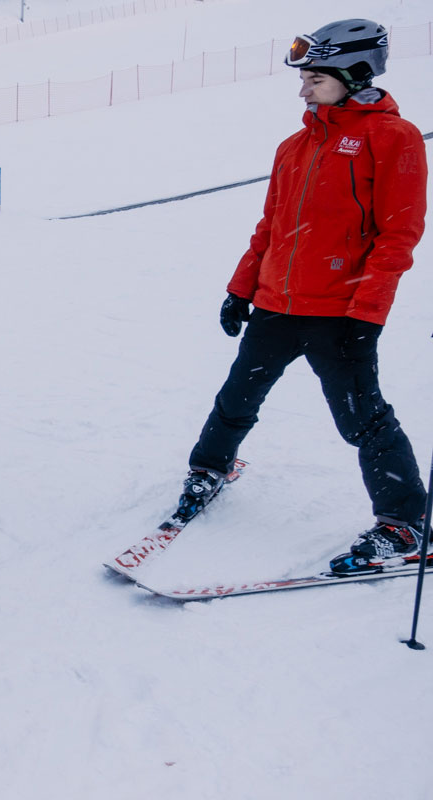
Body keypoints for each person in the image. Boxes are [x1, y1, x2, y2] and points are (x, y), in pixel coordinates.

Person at [175, 19, 428, 574]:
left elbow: (399, 234)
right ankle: (210, 468)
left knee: (363, 420)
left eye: (314, 78)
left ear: (355, 74)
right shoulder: (295, 145)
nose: (302, 88)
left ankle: (406, 523)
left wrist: (368, 312)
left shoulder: (394, 138)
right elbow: (271, 226)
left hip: (340, 315)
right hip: (275, 305)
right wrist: (241, 289)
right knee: (237, 397)